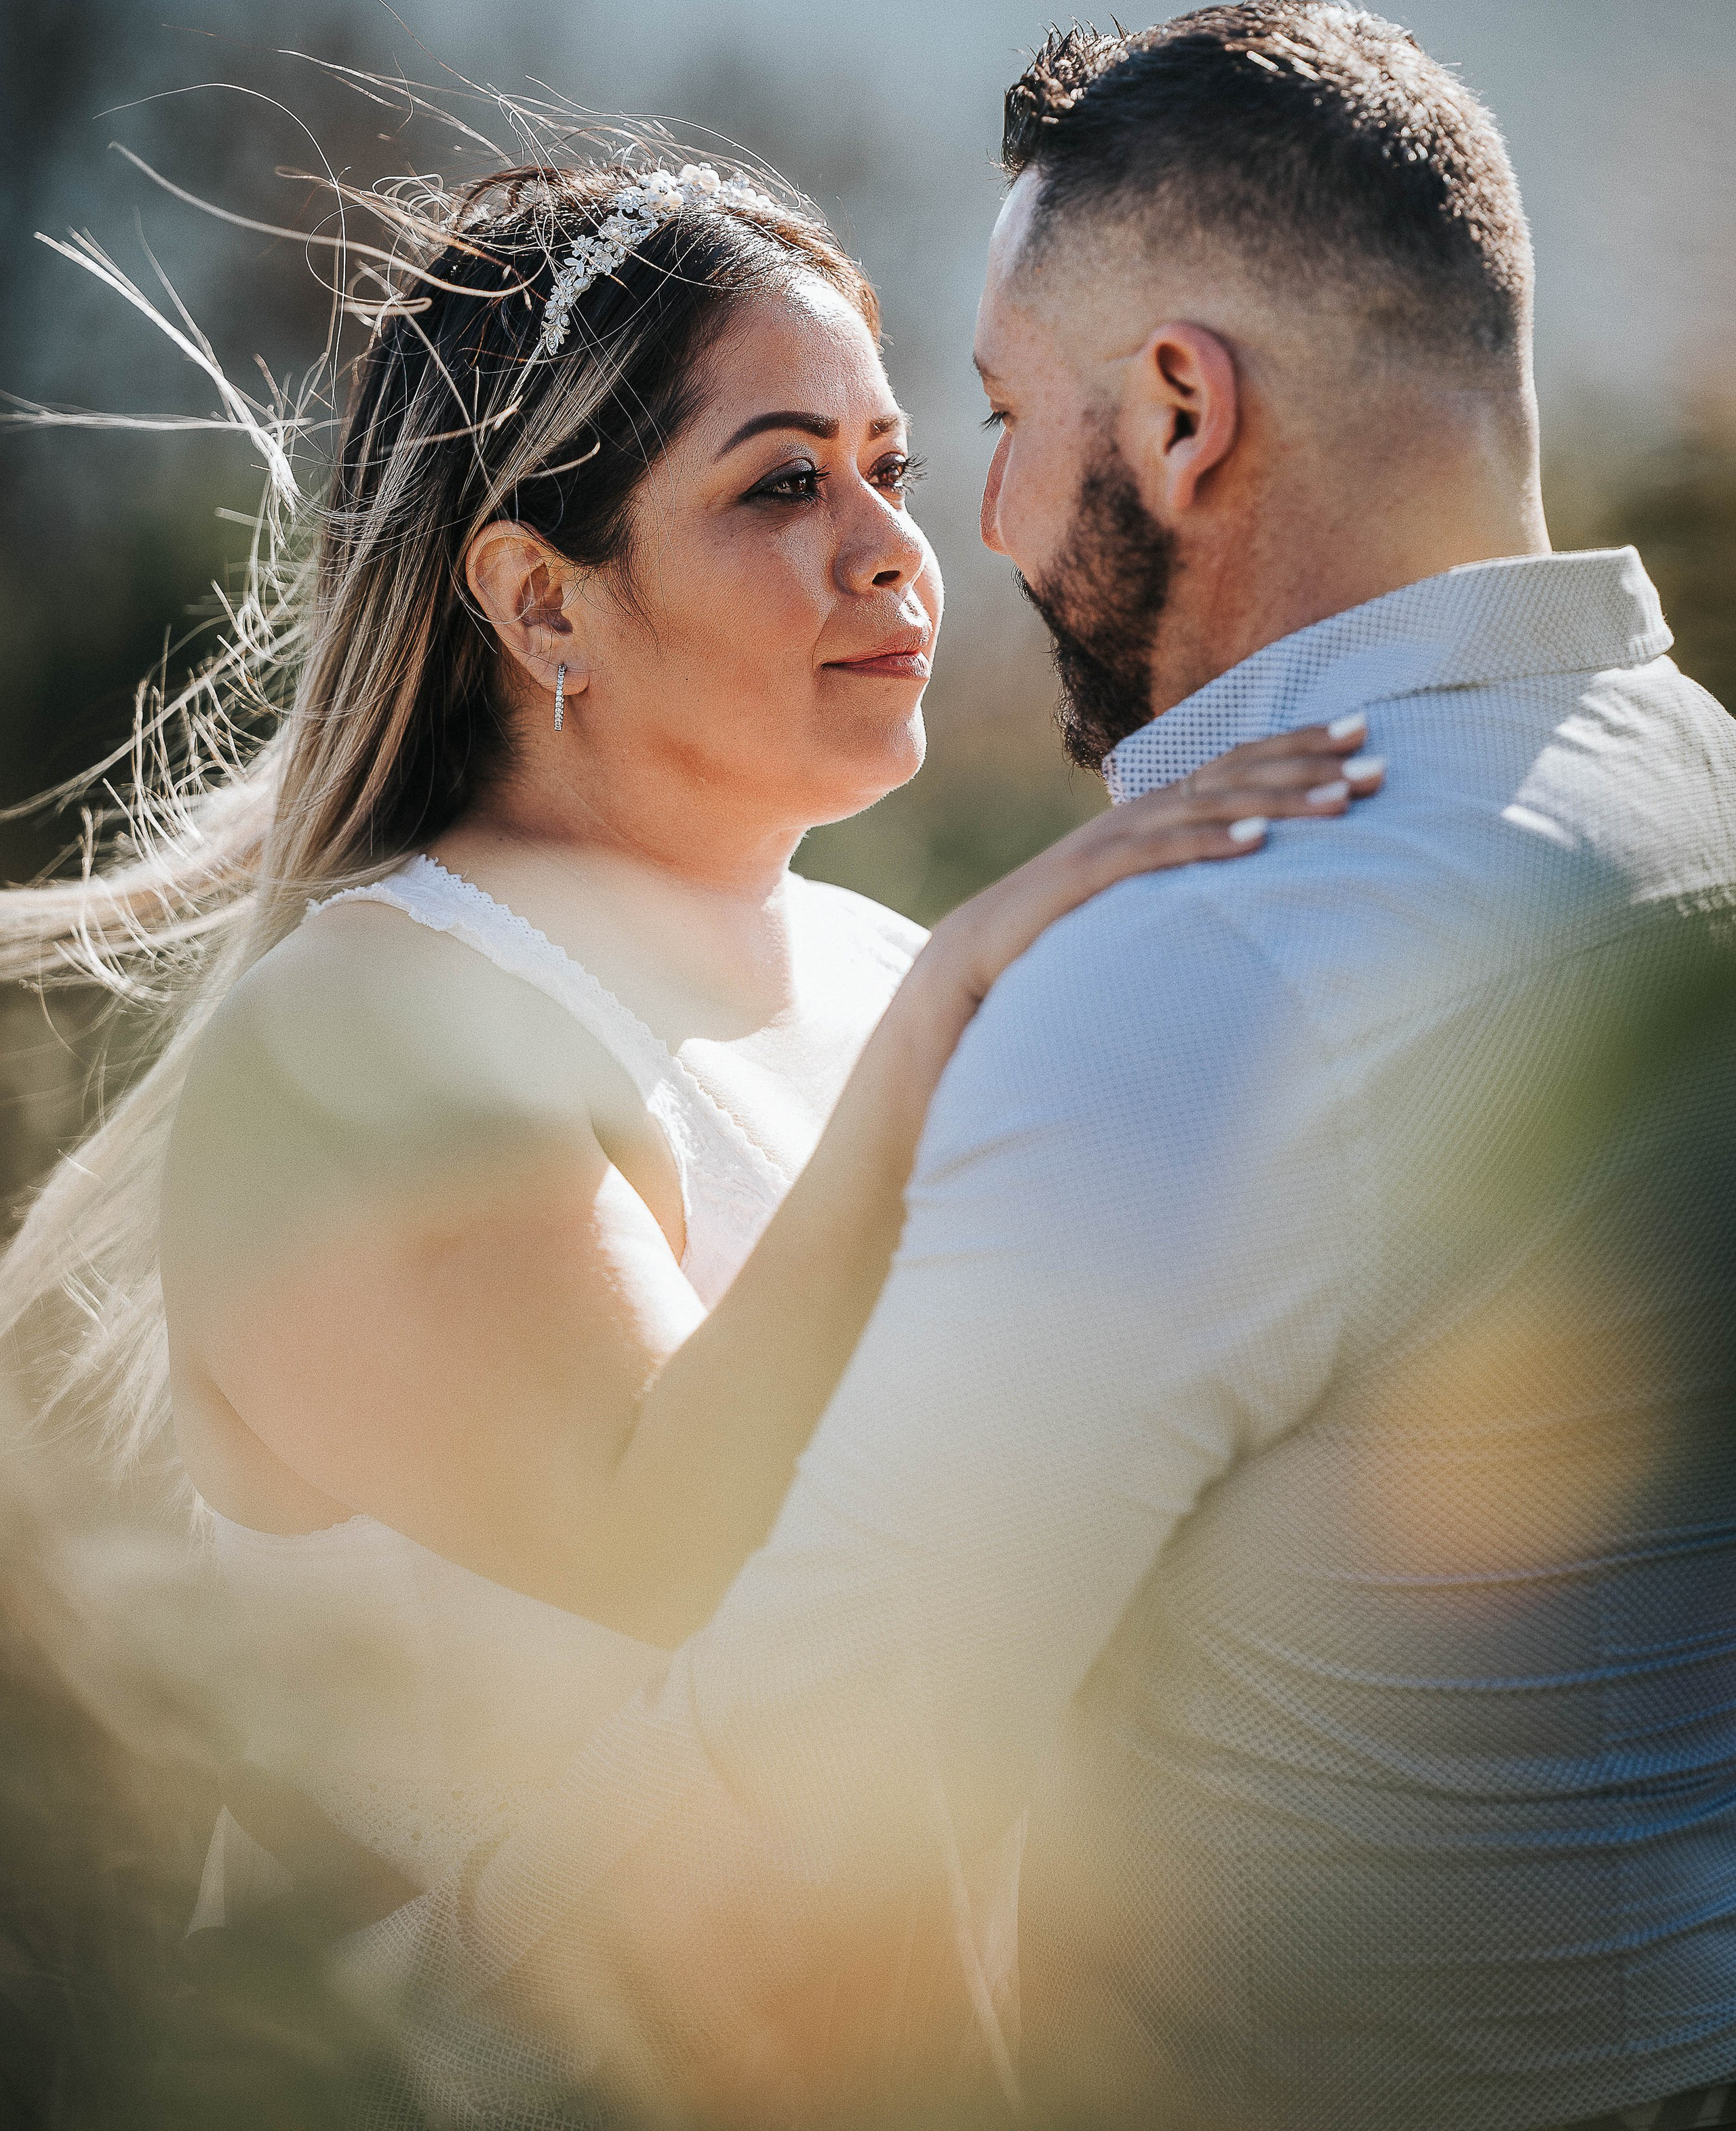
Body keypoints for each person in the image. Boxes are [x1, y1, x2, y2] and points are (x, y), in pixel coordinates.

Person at [374, 5, 1736, 2131]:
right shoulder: (1702, 803)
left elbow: (794, 1798)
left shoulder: (1216, 968)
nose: (977, 527)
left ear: (1184, 413)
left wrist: (356, 2009)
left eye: (994, 420)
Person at [0, 148, 1375, 2107]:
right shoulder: (370, 1030)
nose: (897, 548)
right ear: (539, 597)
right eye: (784, 481)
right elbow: (673, 1541)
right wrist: (968, 1017)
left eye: (895, 464)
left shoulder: (872, 958)